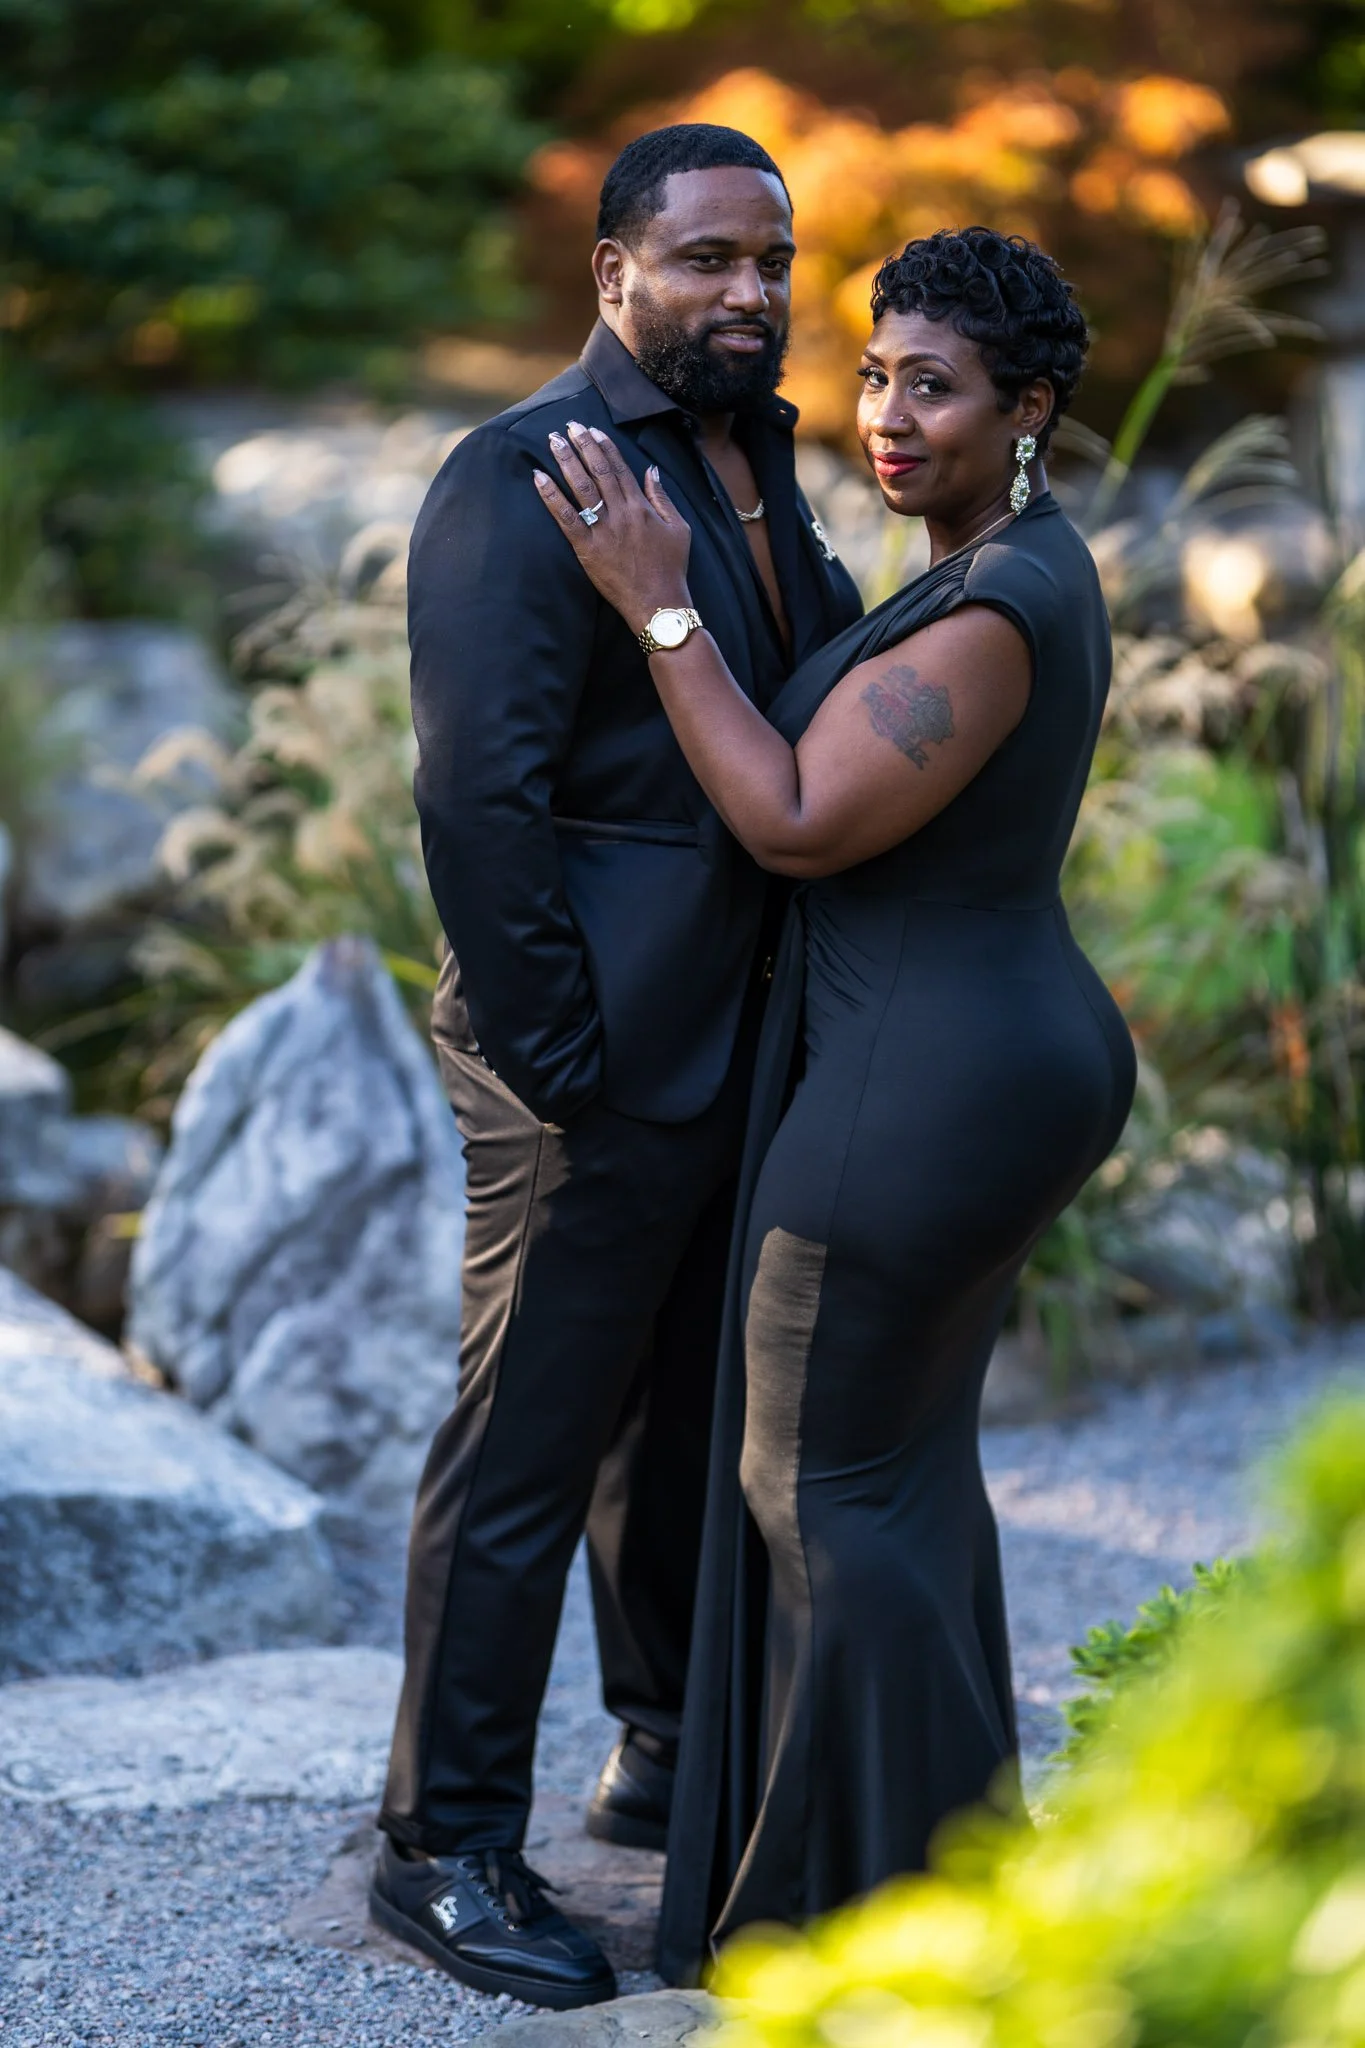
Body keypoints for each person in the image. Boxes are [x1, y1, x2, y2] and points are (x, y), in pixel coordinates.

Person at [531, 225, 1138, 1982]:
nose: (886, 416)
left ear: (1028, 409)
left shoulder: (1002, 606)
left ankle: (859, 1924)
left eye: (932, 388)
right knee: (899, 1473)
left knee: (815, 1480)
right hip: (979, 1054)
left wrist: (659, 606)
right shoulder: (994, 562)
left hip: (926, 1081)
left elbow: (796, 819)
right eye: (874, 375)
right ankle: (949, 1884)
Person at [370, 124, 863, 2008]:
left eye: (773, 260)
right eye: (708, 259)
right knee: (524, 1449)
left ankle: (660, 1754)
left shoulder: (752, 455)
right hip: (581, 1064)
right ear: (614, 273)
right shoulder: (524, 474)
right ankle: (443, 1848)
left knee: (680, 1433)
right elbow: (476, 797)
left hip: (738, 1045)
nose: (750, 290)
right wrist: (560, 1057)